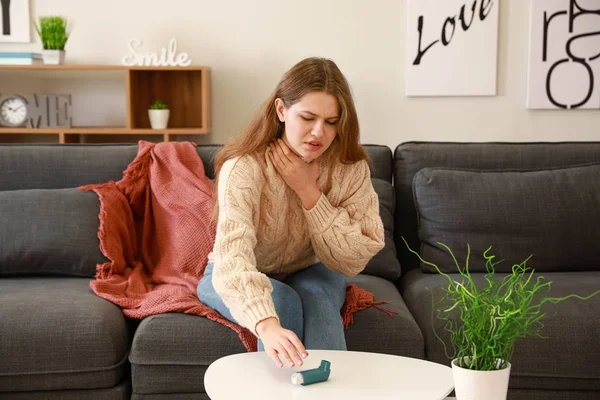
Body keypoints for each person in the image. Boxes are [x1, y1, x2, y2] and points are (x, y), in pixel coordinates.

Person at [197, 57, 385, 369]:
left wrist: (309, 192)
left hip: (310, 268)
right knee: (280, 301)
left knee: (320, 302)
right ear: (281, 110)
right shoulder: (244, 167)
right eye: (308, 117)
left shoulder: (350, 168)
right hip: (235, 271)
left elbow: (355, 258)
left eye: (331, 122)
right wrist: (266, 324)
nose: (318, 133)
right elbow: (233, 258)